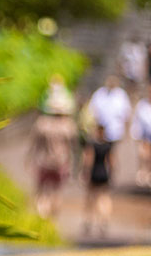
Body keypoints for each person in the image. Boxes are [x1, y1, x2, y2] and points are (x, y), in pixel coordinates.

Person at [28, 77, 79, 218]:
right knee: (57, 191)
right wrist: (75, 165)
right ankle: (52, 219)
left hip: (43, 162)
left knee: (42, 192)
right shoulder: (69, 126)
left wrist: (29, 160)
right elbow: (74, 148)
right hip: (60, 162)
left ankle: (42, 218)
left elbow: (34, 146)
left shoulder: (42, 123)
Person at [87, 76, 132, 182]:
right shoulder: (100, 94)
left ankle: (110, 176)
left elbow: (127, 115)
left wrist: (126, 131)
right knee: (98, 154)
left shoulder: (121, 96)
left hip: (114, 131)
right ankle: (97, 175)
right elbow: (92, 111)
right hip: (100, 131)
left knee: (111, 154)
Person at [82, 122, 114, 237]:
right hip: (104, 173)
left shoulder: (92, 145)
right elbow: (111, 161)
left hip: (94, 173)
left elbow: (88, 160)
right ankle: (103, 221)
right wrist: (111, 174)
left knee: (91, 198)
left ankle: (88, 221)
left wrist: (86, 173)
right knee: (104, 198)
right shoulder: (108, 146)